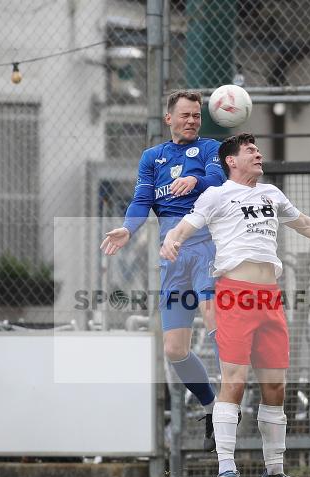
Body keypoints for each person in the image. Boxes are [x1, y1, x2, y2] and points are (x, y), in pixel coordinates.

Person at [160, 133, 310, 477]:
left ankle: (275, 473)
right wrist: (173, 240)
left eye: (258, 150)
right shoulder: (217, 195)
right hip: (234, 294)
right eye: (250, 151)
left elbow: (307, 224)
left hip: (270, 299)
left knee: (276, 388)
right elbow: (187, 224)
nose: (258, 154)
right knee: (234, 381)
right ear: (231, 161)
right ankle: (226, 470)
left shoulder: (271, 194)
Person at [100, 91, 225, 451]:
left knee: (213, 314)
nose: (191, 121)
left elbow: (219, 182)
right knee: (174, 350)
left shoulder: (208, 149)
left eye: (196, 116)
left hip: (204, 248)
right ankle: (211, 405)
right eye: (185, 115)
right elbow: (142, 201)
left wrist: (196, 182)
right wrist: (128, 227)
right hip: (172, 258)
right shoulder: (152, 158)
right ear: (168, 118)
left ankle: (232, 403)